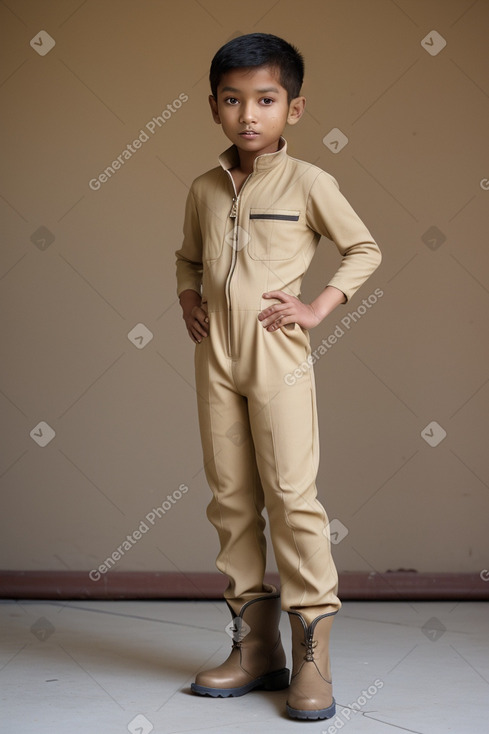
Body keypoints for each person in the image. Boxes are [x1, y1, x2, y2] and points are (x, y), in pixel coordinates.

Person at [175, 32, 381, 721]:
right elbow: (188, 258)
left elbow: (362, 248)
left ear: (292, 108)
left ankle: (311, 659)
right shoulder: (204, 187)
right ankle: (254, 649)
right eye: (232, 101)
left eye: (265, 100)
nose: (248, 115)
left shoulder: (310, 182)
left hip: (276, 357)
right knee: (230, 498)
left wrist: (319, 305)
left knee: (292, 497)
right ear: (213, 107)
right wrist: (186, 296)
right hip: (217, 359)